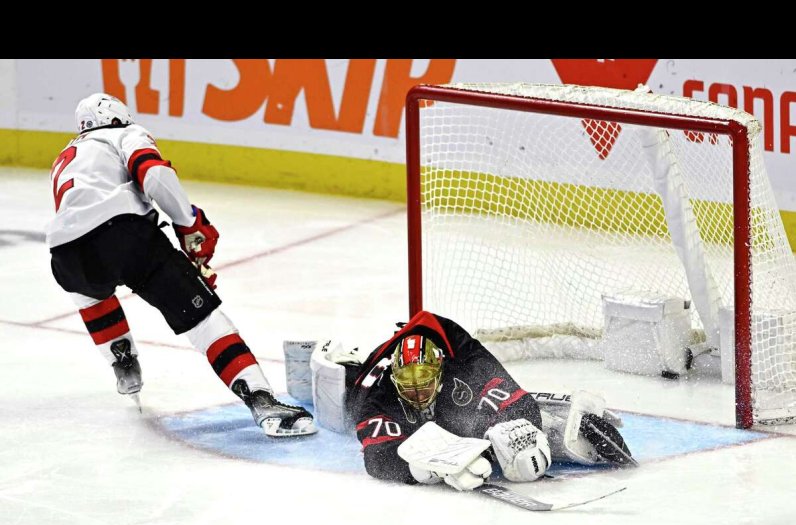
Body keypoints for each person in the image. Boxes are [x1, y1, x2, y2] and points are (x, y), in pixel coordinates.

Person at [47, 93, 315, 437]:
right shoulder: (125, 133)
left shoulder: (66, 156)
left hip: (64, 254)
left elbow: (83, 224)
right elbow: (154, 175)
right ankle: (262, 399)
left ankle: (122, 360)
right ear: (119, 116)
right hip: (125, 235)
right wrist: (188, 223)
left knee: (89, 293)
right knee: (205, 321)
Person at [344, 311, 634, 490]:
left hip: (453, 360)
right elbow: (376, 457)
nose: (418, 394)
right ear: (395, 380)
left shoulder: (466, 364)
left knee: (487, 424)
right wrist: (420, 468)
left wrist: (516, 431)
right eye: (410, 387)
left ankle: (552, 425)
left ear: (442, 372)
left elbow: (519, 401)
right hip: (363, 377)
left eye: (425, 384)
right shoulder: (377, 392)